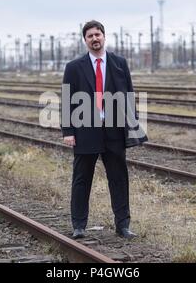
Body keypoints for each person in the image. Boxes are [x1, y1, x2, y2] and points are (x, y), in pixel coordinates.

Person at [61, 20, 147, 239]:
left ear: (104, 36)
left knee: (119, 178)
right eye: (90, 36)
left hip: (114, 131)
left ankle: (123, 225)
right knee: (82, 179)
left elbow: (129, 95)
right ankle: (79, 225)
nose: (94, 39)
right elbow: (68, 100)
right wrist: (68, 131)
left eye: (97, 34)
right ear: (85, 40)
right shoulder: (74, 67)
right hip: (85, 131)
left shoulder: (119, 63)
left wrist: (133, 126)